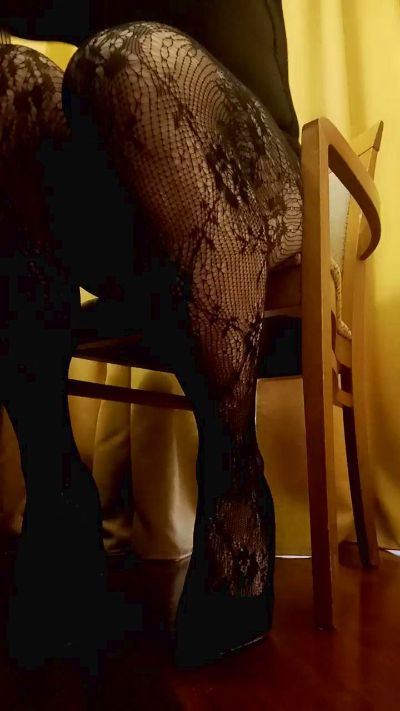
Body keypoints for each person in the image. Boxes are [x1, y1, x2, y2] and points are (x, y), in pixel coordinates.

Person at [0, 1, 302, 668]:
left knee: (126, 59)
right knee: (9, 83)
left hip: (251, 171)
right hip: (117, 188)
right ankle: (54, 484)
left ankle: (233, 474)